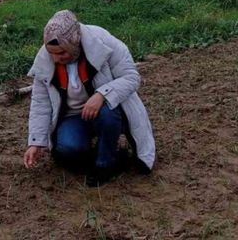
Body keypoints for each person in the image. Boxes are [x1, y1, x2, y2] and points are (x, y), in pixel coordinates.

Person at [23, 10, 156, 186]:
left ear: (73, 43)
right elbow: (40, 103)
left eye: (62, 53)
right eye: (52, 53)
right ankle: (108, 154)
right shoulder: (45, 58)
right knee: (67, 150)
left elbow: (131, 77)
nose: (56, 58)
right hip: (73, 116)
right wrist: (35, 142)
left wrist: (102, 94)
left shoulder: (103, 41)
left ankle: (105, 165)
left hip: (107, 110)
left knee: (107, 115)